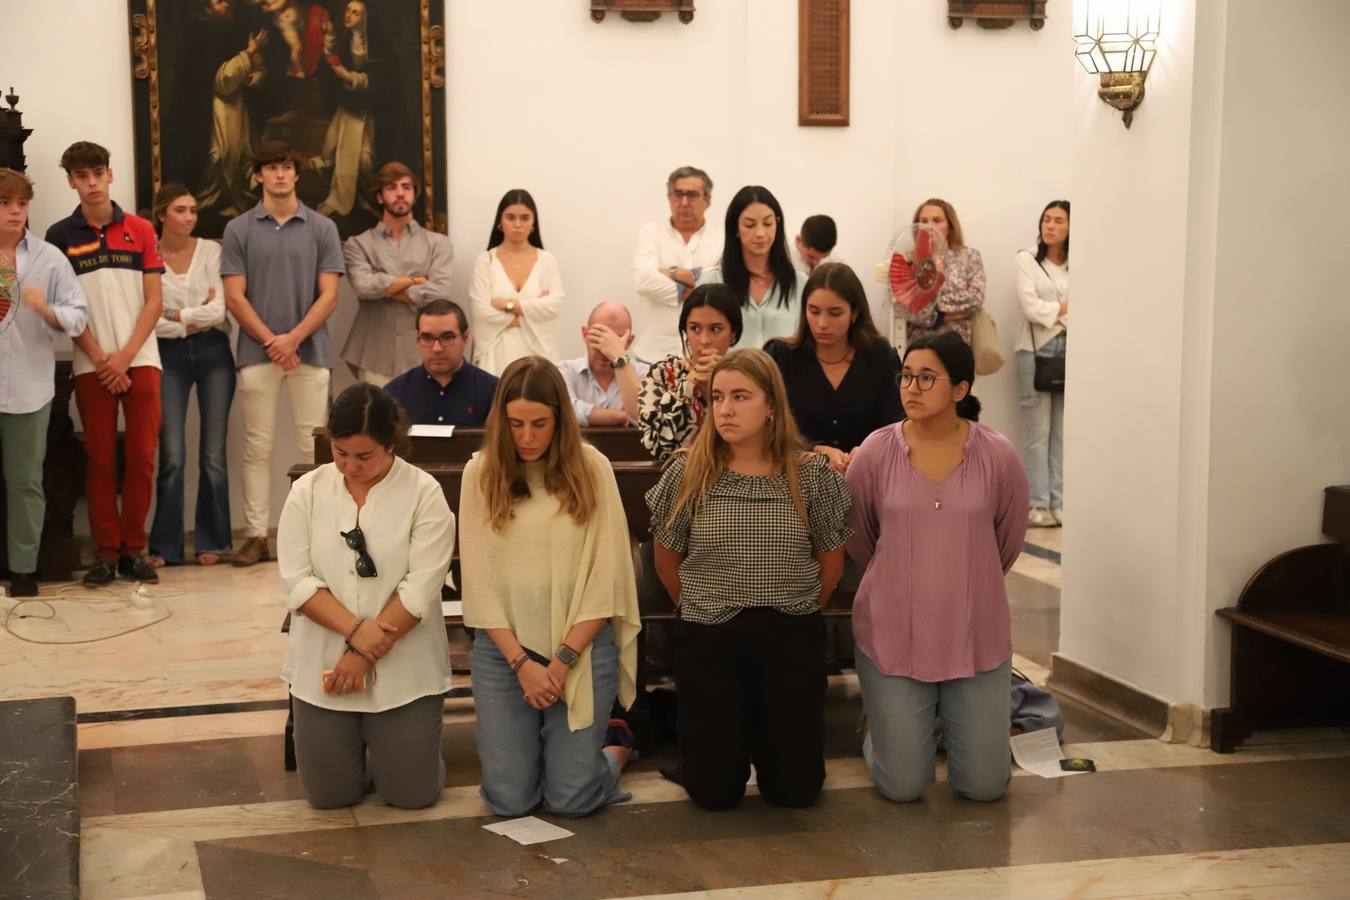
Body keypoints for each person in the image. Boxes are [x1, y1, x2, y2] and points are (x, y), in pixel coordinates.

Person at [646, 348, 852, 810]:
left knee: (795, 791)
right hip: (711, 635)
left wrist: (792, 608)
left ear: (771, 407)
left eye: (741, 396)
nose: (726, 409)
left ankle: (773, 747)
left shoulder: (810, 475)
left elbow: (831, 562)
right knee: (714, 794)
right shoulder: (690, 471)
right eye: (718, 397)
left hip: (789, 633)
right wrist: (707, 606)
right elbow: (666, 562)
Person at [845, 333, 1028, 804]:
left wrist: (966, 578)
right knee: (904, 787)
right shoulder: (874, 453)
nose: (912, 387)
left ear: (961, 389)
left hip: (975, 635)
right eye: (906, 375)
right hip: (893, 633)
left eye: (927, 377)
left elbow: (1004, 544)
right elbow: (861, 538)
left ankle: (928, 729)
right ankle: (879, 732)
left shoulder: (998, 455)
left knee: (985, 786)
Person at [459, 357, 641, 817]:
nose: (526, 437)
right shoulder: (480, 472)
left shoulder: (592, 468)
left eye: (539, 424)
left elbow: (608, 575)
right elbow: (477, 582)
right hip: (505, 652)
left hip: (578, 645)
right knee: (508, 800)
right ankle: (543, 758)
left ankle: (614, 747)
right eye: (515, 424)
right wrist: (522, 664)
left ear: (560, 419)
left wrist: (560, 663)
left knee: (572, 800)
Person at [277, 383, 454, 810]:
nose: (350, 466)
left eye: (364, 456)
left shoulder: (423, 491)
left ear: (391, 444)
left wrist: (362, 653)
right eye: (340, 453)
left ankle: (413, 755)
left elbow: (421, 587)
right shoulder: (308, 491)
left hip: (404, 663)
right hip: (324, 663)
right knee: (329, 797)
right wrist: (356, 633)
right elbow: (298, 582)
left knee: (411, 796)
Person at [45, 142, 165, 586]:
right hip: (90, 363)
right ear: (72, 182)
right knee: (98, 460)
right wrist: (100, 357)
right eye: (82, 176)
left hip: (142, 358)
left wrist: (127, 355)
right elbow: (63, 305)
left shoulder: (140, 229)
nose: (91, 183)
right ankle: (105, 555)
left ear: (110, 175)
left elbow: (154, 301)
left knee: (142, 457)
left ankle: (135, 551)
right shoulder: (60, 236)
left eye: (97, 173)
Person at [221, 141, 345, 567]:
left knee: (313, 447)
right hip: (257, 356)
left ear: (296, 173)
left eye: (286, 167)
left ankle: (313, 536)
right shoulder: (238, 229)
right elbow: (234, 297)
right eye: (271, 168)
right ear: (259, 175)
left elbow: (329, 296)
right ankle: (255, 535)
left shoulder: (321, 228)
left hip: (310, 354)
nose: (279, 175)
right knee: (256, 447)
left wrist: (292, 338)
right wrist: (274, 341)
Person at [0, 168, 89, 597]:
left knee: (25, 480)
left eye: (21, 203)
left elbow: (78, 315)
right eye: (5, 203)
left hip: (28, 387)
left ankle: (22, 569)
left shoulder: (48, 258)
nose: (15, 211)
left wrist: (47, 310)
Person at [146, 185, 234, 569]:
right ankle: (164, 546)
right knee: (173, 455)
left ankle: (212, 541)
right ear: (162, 214)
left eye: (193, 210)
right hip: (168, 357)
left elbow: (219, 311)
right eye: (180, 210)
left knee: (214, 454)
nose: (189, 217)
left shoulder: (211, 251)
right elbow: (148, 319)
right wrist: (187, 320)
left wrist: (175, 316)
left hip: (215, 352)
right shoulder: (147, 254)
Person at [765, 262, 902, 474]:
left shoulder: (881, 356)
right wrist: (812, 450)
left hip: (868, 477)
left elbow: (898, 424)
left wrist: (869, 450)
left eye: (835, 313)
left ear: (854, 312)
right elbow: (766, 425)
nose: (822, 323)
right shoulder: (780, 357)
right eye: (814, 311)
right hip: (796, 480)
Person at [341, 161, 455, 387]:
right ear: (380, 196)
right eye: (392, 187)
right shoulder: (357, 244)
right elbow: (364, 287)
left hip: (426, 354)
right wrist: (414, 281)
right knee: (377, 421)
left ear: (415, 193)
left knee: (424, 422)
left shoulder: (438, 244)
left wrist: (383, 287)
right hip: (374, 354)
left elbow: (439, 294)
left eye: (406, 187)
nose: (400, 193)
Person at [636, 284, 741, 462]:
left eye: (715, 329)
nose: (704, 340)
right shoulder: (661, 375)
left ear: (733, 333)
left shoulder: (748, 376)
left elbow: (755, 441)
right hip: (677, 479)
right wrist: (688, 386)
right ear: (685, 331)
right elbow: (656, 446)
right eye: (695, 329)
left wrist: (714, 393)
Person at [630, 166, 723, 364]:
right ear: (668, 196)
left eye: (692, 195)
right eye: (678, 194)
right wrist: (697, 286)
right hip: (652, 355)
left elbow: (720, 287)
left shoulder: (723, 239)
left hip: (705, 357)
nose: (684, 203)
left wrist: (668, 272)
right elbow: (643, 281)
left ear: (708, 200)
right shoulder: (650, 233)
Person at [1015, 200, 1070, 528]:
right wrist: (1064, 310)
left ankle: (1058, 501)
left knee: (1062, 431)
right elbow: (1029, 307)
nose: (1050, 226)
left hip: (1070, 352)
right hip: (1034, 352)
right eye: (1046, 220)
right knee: (1039, 429)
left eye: (1059, 220)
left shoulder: (1079, 265)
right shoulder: (1027, 260)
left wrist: (1058, 311)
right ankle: (1038, 503)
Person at [469, 190, 565, 375]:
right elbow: (481, 313)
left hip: (538, 355)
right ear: (500, 221)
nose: (518, 224)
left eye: (525, 218)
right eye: (510, 217)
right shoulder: (485, 261)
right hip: (496, 354)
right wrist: (533, 310)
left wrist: (509, 304)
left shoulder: (547, 261)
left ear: (533, 222)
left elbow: (554, 306)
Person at [697, 185, 805, 349]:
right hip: (727, 374)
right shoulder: (712, 282)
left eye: (768, 223)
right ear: (736, 228)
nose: (760, 233)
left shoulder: (799, 283)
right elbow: (699, 342)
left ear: (777, 224)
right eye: (749, 225)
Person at [384, 299, 497, 427]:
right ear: (418, 340)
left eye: (447, 337)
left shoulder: (493, 391)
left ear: (465, 338)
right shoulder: (394, 394)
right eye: (427, 338)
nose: (437, 348)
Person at [897, 199, 987, 348]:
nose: (929, 226)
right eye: (924, 221)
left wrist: (930, 307)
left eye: (937, 220)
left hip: (958, 345)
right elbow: (906, 309)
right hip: (919, 348)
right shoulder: (907, 261)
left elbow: (975, 298)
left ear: (950, 227)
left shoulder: (970, 256)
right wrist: (945, 315)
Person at [557, 302, 649, 426]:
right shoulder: (565, 370)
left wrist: (618, 356)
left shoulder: (645, 374)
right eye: (598, 336)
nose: (605, 349)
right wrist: (621, 416)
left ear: (629, 341)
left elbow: (646, 417)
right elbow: (565, 410)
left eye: (616, 340)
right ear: (585, 334)